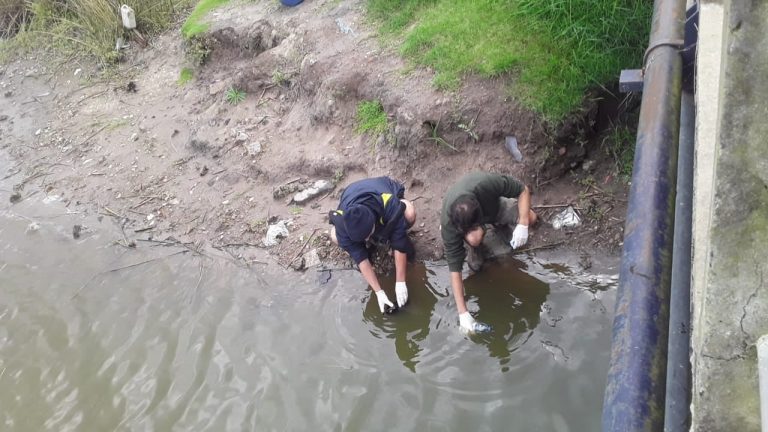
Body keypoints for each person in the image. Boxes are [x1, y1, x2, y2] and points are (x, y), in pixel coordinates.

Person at [440, 171, 538, 333]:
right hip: (473, 226)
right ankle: (476, 246)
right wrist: (463, 313)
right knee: (475, 253)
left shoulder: (485, 184)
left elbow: (523, 190)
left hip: (494, 208)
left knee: (531, 217)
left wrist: (523, 224)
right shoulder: (449, 225)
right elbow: (455, 270)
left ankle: (499, 226)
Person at [329, 177, 416, 314]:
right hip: (352, 193)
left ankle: (382, 234)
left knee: (409, 213)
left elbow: (400, 242)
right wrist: (378, 292)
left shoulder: (388, 204)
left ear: (373, 223)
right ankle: (371, 237)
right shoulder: (343, 224)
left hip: (382, 189)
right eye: (363, 239)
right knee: (334, 236)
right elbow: (360, 258)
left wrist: (400, 282)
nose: (367, 239)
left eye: (368, 236)